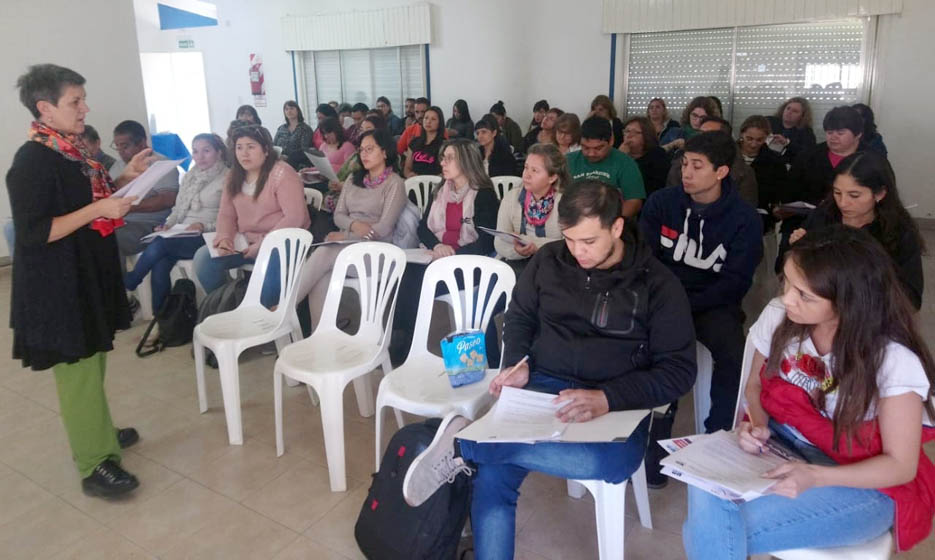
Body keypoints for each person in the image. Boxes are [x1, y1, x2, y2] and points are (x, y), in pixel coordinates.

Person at [402, 179, 697, 560]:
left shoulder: (657, 284)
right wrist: (518, 363)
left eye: (589, 241)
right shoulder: (549, 260)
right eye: (570, 239)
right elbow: (519, 317)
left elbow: (679, 371)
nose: (577, 252)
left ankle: (469, 447)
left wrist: (608, 397)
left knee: (608, 461)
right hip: (545, 386)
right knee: (493, 479)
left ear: (617, 227)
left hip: (618, 401)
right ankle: (480, 450)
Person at [682, 225, 935, 559]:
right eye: (787, 282)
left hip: (864, 482)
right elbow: (756, 384)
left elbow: (900, 467)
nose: (787, 298)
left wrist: (815, 476)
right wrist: (756, 424)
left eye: (805, 295)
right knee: (703, 487)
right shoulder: (779, 316)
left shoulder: (892, 360)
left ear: (848, 302)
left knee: (716, 526)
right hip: (782, 446)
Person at [7, 63, 157, 497]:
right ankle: (95, 463)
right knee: (78, 370)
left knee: (94, 360)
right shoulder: (32, 161)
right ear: (45, 108)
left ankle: (101, 431)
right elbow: (37, 232)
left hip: (83, 272)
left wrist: (124, 180)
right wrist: (99, 211)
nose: (85, 108)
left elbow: (85, 196)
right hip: (57, 285)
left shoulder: (69, 151)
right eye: (75, 101)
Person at [640, 131, 763, 433]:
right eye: (684, 164)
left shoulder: (744, 219)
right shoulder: (661, 203)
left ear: (721, 172)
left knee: (734, 354)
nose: (687, 173)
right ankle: (654, 435)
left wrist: (689, 304)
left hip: (713, 304)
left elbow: (736, 281)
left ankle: (718, 434)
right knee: (640, 346)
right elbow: (645, 261)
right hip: (663, 299)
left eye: (697, 165)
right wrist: (668, 302)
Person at [390, 139, 499, 365]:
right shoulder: (441, 190)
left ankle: (405, 344)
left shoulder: (483, 194)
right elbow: (423, 227)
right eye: (443, 157)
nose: (443, 163)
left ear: (467, 162)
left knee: (417, 281)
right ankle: (403, 341)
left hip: (469, 262)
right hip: (438, 256)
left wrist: (454, 255)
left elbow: (487, 240)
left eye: (450, 158)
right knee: (405, 275)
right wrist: (437, 246)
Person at [295, 129, 406, 331]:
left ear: (385, 152)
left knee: (326, 251)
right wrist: (355, 226)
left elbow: (383, 228)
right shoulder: (353, 180)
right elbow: (338, 215)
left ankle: (286, 306)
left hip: (378, 251)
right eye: (361, 150)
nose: (363, 155)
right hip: (347, 246)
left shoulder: (395, 184)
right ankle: (318, 335)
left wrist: (346, 234)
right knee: (322, 270)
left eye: (369, 149)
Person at [193, 125, 310, 308]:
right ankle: (228, 306)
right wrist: (224, 238)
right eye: (239, 147)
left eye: (251, 147)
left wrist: (263, 243)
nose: (244, 153)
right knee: (203, 258)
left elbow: (295, 217)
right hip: (247, 240)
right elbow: (226, 213)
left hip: (283, 239)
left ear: (265, 150)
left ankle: (264, 319)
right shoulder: (234, 176)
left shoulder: (282, 173)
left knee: (269, 257)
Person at [788, 151, 923, 309]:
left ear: (880, 194)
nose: (843, 203)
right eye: (837, 193)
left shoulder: (899, 232)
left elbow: (911, 298)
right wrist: (799, 249)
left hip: (871, 317)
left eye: (854, 195)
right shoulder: (824, 215)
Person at [124, 133, 228, 311]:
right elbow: (178, 209)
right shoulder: (190, 177)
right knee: (160, 263)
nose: (200, 157)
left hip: (207, 235)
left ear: (218, 153)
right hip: (182, 233)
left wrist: (203, 226)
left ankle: (133, 279)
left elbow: (229, 216)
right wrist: (168, 225)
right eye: (195, 151)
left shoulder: (227, 178)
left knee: (162, 244)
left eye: (206, 151)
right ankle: (163, 320)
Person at [775, 105, 865, 271]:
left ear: (858, 134)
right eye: (830, 132)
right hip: (803, 223)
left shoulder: (869, 160)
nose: (833, 138)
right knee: (787, 266)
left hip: (851, 228)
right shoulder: (809, 155)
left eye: (840, 133)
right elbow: (789, 192)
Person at [111, 120, 180, 270]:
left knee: (111, 240)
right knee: (91, 236)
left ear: (142, 143)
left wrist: (130, 207)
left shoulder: (161, 164)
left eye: (125, 146)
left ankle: (118, 290)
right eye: (117, 146)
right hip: (121, 222)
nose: (121, 151)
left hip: (149, 225)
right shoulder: (118, 166)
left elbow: (168, 200)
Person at [494, 143, 569, 274]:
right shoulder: (511, 197)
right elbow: (499, 241)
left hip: (553, 266)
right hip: (516, 263)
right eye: (526, 168)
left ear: (552, 177)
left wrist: (531, 243)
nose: (526, 175)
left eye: (535, 170)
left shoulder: (565, 202)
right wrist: (517, 251)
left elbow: (567, 245)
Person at [667, 116, 758, 210]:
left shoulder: (742, 172)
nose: (703, 139)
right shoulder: (680, 165)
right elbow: (671, 203)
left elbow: (745, 210)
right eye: (701, 134)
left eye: (710, 135)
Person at [566, 117, 645, 217]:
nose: (591, 153)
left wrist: (609, 223)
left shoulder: (625, 163)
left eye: (598, 148)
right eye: (585, 147)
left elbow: (634, 202)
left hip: (610, 222)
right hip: (574, 220)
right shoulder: (568, 161)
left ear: (611, 140)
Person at [737, 115, 788, 233]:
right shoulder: (727, 156)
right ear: (741, 134)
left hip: (762, 224)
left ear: (767, 138)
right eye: (749, 138)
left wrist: (776, 211)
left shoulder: (775, 162)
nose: (754, 144)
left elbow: (780, 194)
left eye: (759, 140)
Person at [620, 116, 669, 196]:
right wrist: (619, 158)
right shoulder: (618, 153)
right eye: (627, 131)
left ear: (647, 135)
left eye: (636, 132)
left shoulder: (657, 155)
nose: (629, 135)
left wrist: (624, 161)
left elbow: (653, 188)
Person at [766, 97, 817, 165]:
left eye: (795, 111)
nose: (789, 112)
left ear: (802, 116)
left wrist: (787, 143)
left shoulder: (807, 132)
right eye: (788, 108)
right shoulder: (768, 121)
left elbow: (808, 155)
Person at [403, 106, 445, 178]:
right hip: (415, 184)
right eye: (426, 118)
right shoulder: (414, 142)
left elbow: (446, 171)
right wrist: (409, 174)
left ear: (439, 123)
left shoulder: (444, 145)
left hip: (435, 185)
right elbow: (407, 168)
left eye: (433, 119)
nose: (428, 121)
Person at [273, 100, 315, 170]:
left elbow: (305, 149)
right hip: (280, 164)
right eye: (286, 109)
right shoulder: (281, 128)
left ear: (298, 111)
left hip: (299, 165)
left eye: (292, 108)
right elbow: (274, 146)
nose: (289, 111)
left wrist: (288, 157)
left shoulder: (305, 129)